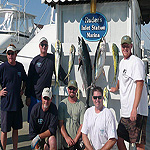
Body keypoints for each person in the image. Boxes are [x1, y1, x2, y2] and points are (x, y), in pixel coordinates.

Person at [110, 35, 148, 150]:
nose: (125, 48)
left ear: (131, 46)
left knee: (138, 143)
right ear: (121, 47)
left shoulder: (137, 62)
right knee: (119, 139)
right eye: (123, 46)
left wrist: (134, 108)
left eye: (127, 46)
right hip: (125, 111)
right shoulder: (122, 62)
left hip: (136, 111)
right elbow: (120, 79)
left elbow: (140, 84)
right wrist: (116, 88)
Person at [25, 37, 67, 122]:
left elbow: (59, 72)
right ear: (39, 46)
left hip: (46, 97)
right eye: (42, 45)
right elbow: (29, 79)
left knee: (44, 120)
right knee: (33, 120)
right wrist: (28, 96)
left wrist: (67, 82)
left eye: (45, 45)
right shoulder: (34, 61)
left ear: (47, 47)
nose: (44, 47)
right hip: (34, 96)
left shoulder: (52, 58)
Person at [0, 44, 27, 150]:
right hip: (6, 105)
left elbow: (25, 79)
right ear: (6, 55)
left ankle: (15, 148)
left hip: (17, 104)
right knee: (4, 130)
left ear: (16, 54)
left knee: (16, 129)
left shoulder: (20, 67)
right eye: (9, 53)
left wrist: (23, 90)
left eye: (12, 53)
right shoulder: (2, 67)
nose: (11, 55)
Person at [58, 80, 86, 150]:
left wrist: (75, 140)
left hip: (78, 142)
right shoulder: (62, 104)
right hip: (66, 142)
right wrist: (67, 138)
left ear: (76, 90)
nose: (72, 91)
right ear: (68, 89)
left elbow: (82, 125)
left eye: (74, 89)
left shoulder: (81, 105)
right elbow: (60, 123)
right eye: (70, 88)